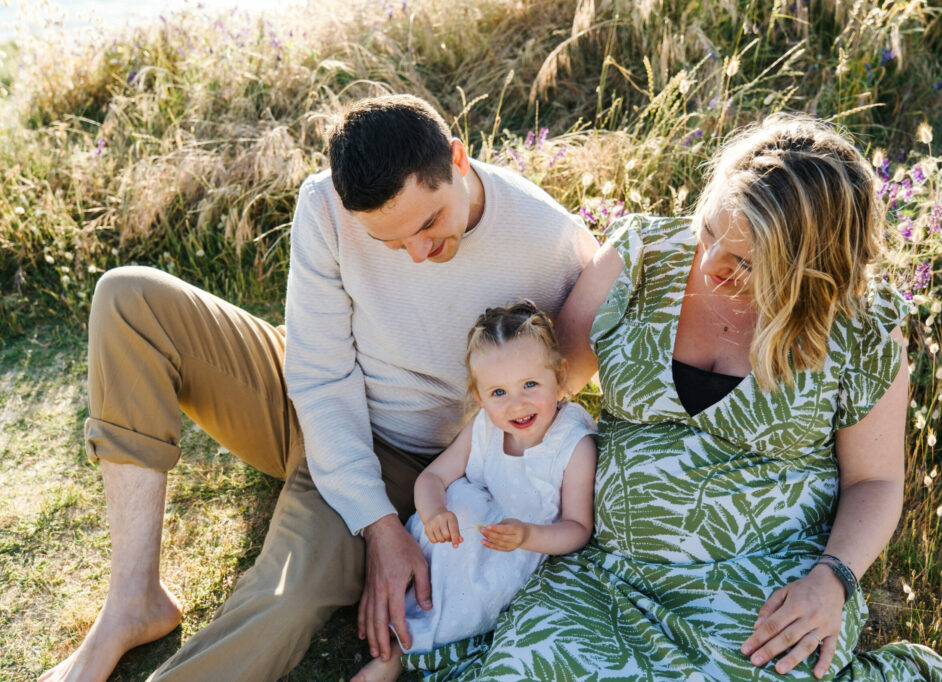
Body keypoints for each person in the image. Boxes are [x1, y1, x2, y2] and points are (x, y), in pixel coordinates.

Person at [39, 94, 598, 682]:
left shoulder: (550, 242)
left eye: (429, 223)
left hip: (404, 457)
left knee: (288, 598)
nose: (418, 252)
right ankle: (133, 600)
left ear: (459, 159)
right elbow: (320, 375)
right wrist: (378, 529)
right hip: (308, 391)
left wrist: (384, 515)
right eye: (390, 242)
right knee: (129, 296)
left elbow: (573, 369)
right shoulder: (324, 203)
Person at [414, 114, 942, 680]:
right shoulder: (642, 259)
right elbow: (543, 386)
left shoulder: (860, 328)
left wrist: (832, 580)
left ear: (809, 267)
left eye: (747, 262)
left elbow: (875, 481)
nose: (710, 263)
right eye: (709, 232)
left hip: (762, 584)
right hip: (607, 573)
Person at [352, 301, 598, 682]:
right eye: (498, 392)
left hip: (522, 546)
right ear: (479, 396)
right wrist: (435, 513)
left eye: (530, 384)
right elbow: (431, 479)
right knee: (457, 508)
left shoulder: (573, 446)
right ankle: (402, 616)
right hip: (469, 529)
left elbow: (579, 528)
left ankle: (400, 654)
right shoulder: (484, 426)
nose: (517, 404)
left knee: (467, 568)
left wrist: (530, 536)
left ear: (560, 376)